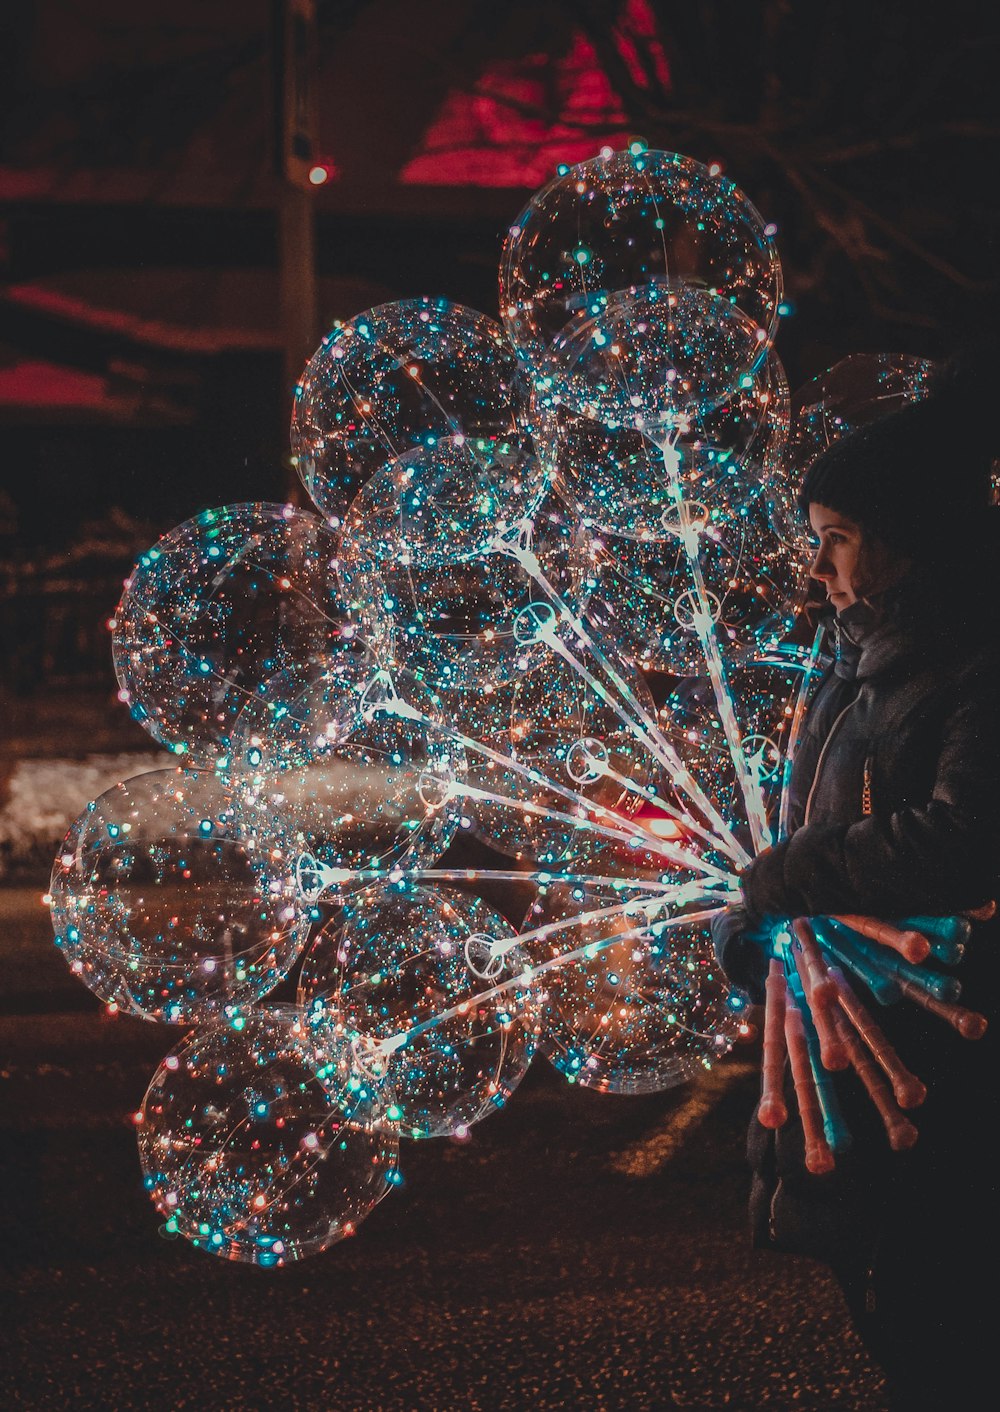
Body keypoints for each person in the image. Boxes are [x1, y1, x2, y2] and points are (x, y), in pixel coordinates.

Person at [712, 349, 999, 1410]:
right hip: (853, 1053)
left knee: (940, 1314)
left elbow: (963, 835)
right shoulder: (847, 659)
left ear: (907, 539)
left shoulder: (974, 660)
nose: (815, 567)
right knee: (889, 1298)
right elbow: (802, 826)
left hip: (948, 1058)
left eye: (835, 539)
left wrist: (789, 877)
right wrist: (756, 924)